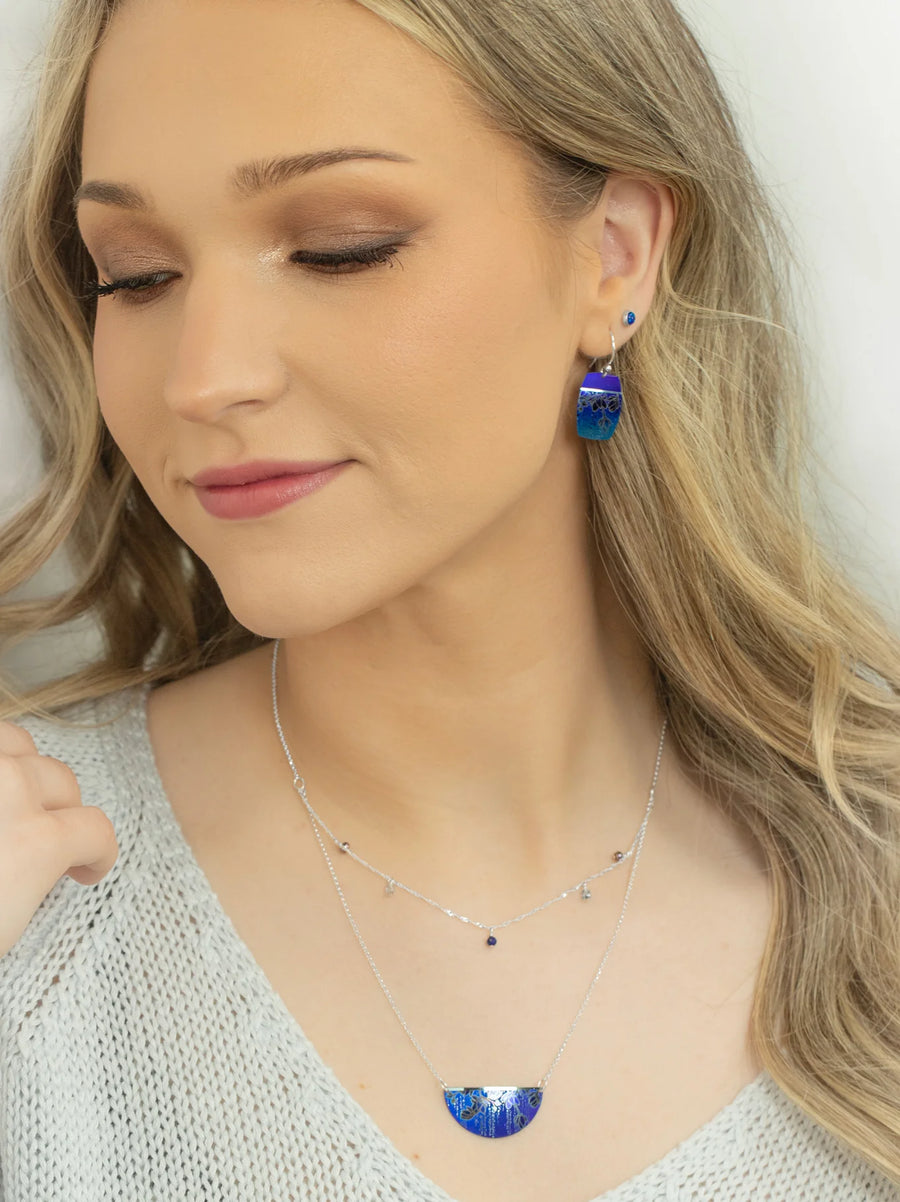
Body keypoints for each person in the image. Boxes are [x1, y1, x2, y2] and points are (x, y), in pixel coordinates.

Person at [0, 0, 898, 1197]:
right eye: (137, 274)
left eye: (340, 246)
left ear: (615, 256)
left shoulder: (871, 875)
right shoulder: (32, 903)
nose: (205, 376)